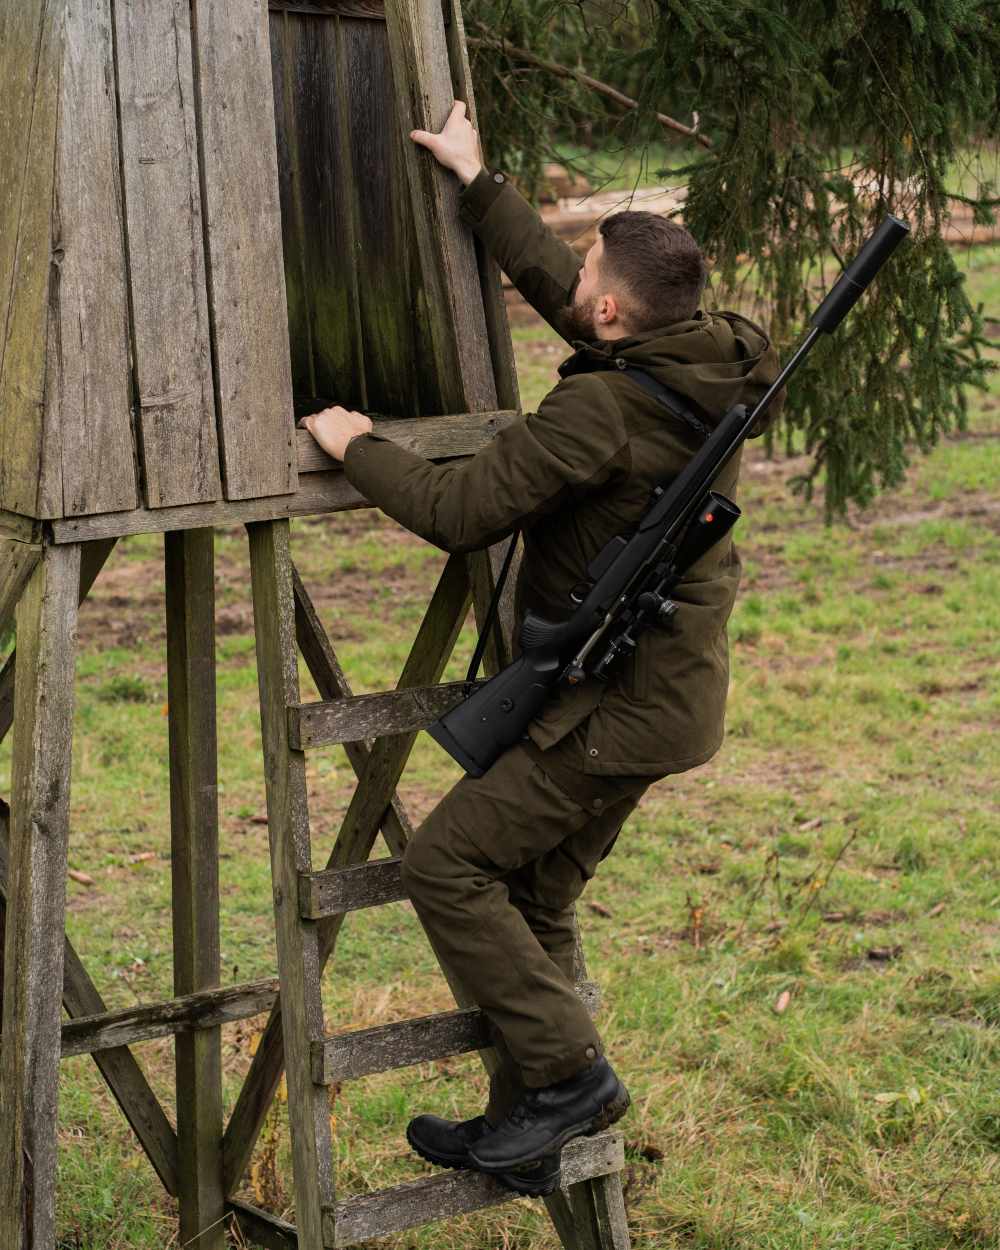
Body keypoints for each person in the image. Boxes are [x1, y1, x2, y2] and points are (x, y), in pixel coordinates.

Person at [299, 101, 785, 1197]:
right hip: (666, 697)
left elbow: (459, 506)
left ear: (612, 305)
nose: (573, 283)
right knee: (536, 898)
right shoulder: (705, 359)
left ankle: (570, 1077)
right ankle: (526, 1122)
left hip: (615, 709)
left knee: (447, 862)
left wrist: (353, 442)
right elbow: (576, 306)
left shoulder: (599, 413)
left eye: (586, 274)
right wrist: (478, 181)